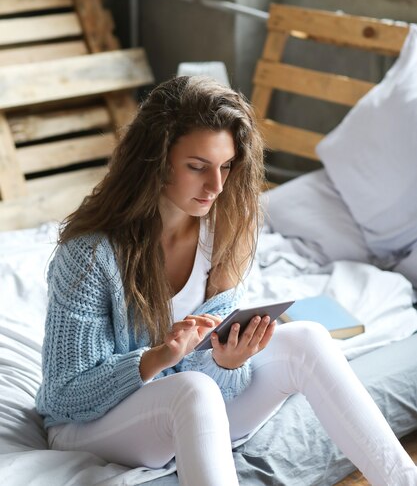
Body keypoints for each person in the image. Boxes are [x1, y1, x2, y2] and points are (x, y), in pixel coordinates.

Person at [36, 76, 417, 486]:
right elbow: (66, 394)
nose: (216, 186)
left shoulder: (223, 233)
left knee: (307, 339)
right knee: (193, 391)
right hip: (89, 425)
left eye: (226, 167)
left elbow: (220, 383)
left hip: (180, 407)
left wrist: (226, 362)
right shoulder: (91, 254)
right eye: (198, 167)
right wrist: (159, 357)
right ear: (155, 161)